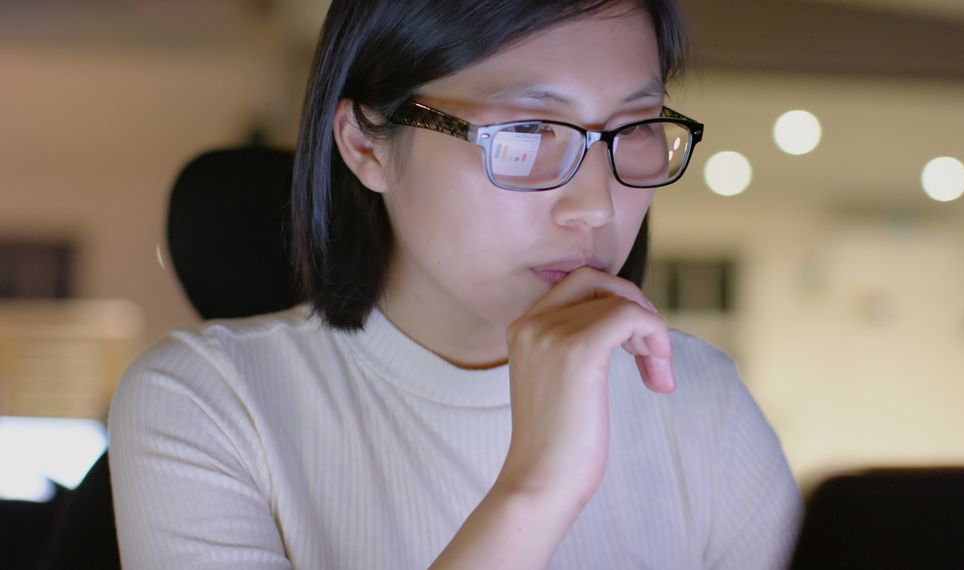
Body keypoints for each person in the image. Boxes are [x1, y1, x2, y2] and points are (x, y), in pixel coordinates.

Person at [108, 0, 803, 568]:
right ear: (363, 144)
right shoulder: (212, 404)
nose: (596, 204)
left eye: (632, 126)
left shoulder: (705, 404)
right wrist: (534, 490)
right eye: (529, 129)